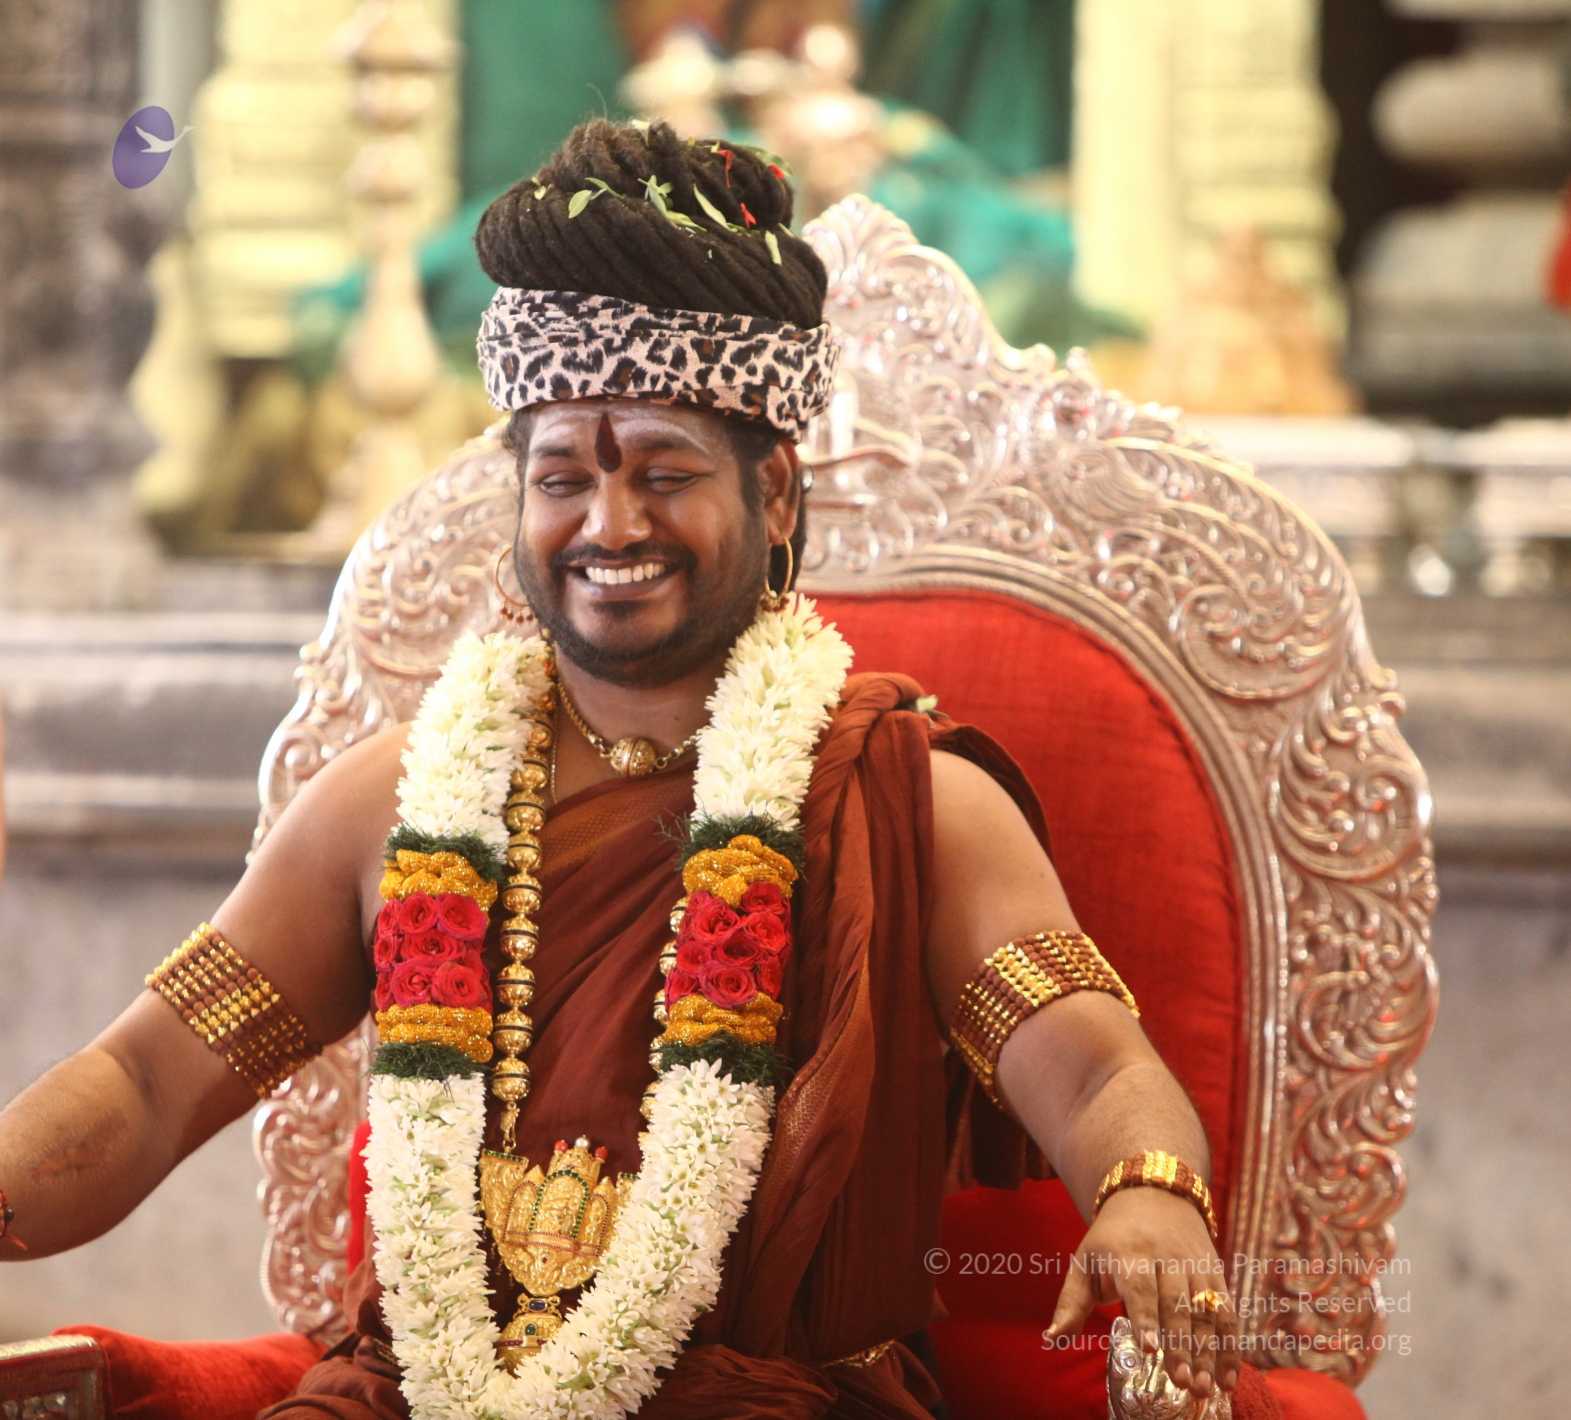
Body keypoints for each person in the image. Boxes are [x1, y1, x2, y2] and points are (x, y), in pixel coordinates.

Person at [0, 120, 1242, 1419]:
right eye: (563, 479)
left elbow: (1095, 1070)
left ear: (774, 494)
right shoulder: (393, 805)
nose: (609, 523)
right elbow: (146, 1082)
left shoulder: (914, 802)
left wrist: (1147, 1191)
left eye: (664, 471)